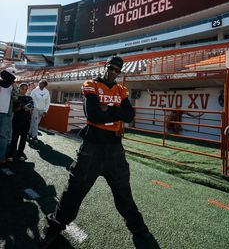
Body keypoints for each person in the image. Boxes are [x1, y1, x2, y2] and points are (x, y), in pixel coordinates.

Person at [37, 56, 160, 249]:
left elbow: (129, 115)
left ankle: (139, 230)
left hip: (115, 151)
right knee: (74, 192)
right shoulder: (91, 85)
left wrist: (107, 109)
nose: (113, 72)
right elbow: (93, 114)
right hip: (91, 149)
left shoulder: (121, 90)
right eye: (111, 68)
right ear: (105, 67)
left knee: (124, 196)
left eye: (117, 71)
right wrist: (116, 109)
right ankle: (54, 227)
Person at [7, 83, 34, 161]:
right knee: (14, 138)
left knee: (23, 139)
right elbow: (14, 110)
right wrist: (22, 107)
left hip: (26, 121)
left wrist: (29, 108)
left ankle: (20, 153)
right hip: (16, 121)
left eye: (26, 89)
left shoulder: (29, 98)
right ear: (19, 89)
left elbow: (32, 108)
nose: (24, 91)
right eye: (23, 89)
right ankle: (11, 154)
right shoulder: (16, 97)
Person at [0, 67, 18, 164]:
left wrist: (15, 88)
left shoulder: (13, 86)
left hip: (7, 114)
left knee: (3, 136)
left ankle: (1, 156)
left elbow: (16, 99)